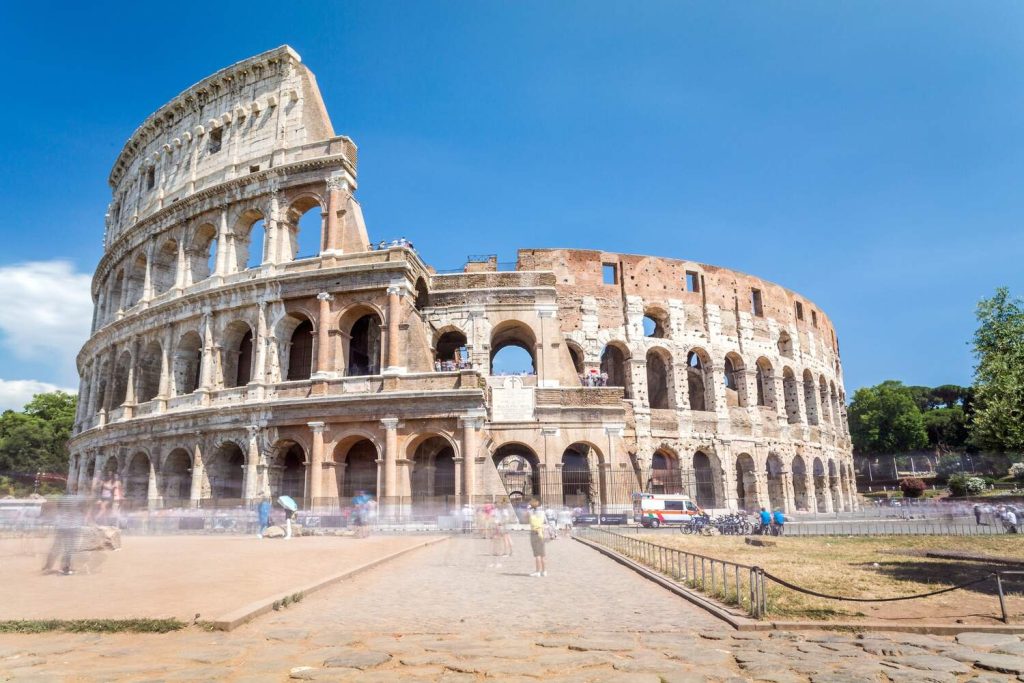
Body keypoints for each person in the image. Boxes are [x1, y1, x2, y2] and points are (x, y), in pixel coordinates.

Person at [528, 499, 547, 577]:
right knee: (542, 554)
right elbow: (545, 521)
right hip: (541, 532)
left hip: (534, 533)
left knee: (537, 554)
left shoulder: (530, 513)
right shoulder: (542, 512)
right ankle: (544, 571)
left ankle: (537, 571)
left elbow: (525, 520)